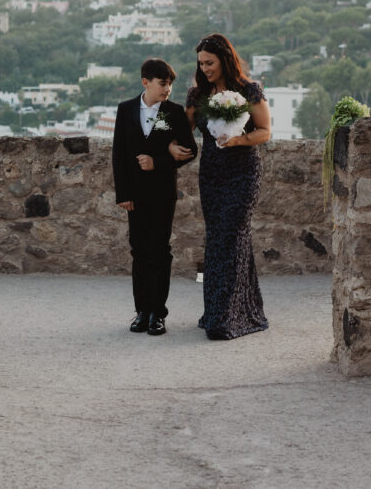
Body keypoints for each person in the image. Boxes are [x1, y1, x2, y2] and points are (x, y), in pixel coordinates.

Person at [176, 33, 272, 340]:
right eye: (201, 63)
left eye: (210, 62)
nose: (204, 68)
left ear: (225, 60)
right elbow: (181, 132)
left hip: (244, 172)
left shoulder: (248, 90)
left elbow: (265, 131)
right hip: (212, 176)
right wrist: (167, 144)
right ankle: (227, 310)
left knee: (231, 234)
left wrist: (239, 139)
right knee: (219, 238)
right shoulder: (196, 95)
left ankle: (228, 317)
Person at [112, 58, 198, 336]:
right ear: (145, 82)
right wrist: (123, 194)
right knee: (139, 251)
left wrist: (159, 161)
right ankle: (141, 312)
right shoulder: (125, 110)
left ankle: (158, 315)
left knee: (160, 252)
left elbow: (190, 150)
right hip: (134, 196)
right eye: (163, 83)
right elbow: (119, 155)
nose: (168, 89)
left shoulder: (173, 113)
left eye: (171, 84)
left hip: (162, 194)